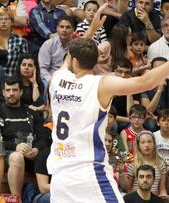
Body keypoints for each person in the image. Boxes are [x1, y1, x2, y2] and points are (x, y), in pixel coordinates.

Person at [47, 3, 169, 201]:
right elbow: (146, 81)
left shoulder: (58, 79)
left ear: (75, 61)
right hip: (88, 172)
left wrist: (91, 29)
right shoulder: (101, 84)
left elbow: (70, 56)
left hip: (60, 175)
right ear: (97, 61)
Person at [0, 77, 49, 195]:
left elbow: (44, 138)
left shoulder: (32, 113)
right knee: (17, 157)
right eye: (8, 90)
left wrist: (36, 149)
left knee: (49, 155)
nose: (11, 94)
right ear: (3, 93)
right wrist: (15, 146)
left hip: (31, 155)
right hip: (7, 154)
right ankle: (16, 199)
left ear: (21, 92)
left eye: (15, 90)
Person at [117, 131, 167, 195]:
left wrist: (164, 197)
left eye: (149, 142)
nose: (146, 145)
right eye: (143, 142)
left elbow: (162, 189)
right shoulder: (133, 163)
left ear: (154, 144)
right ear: (138, 146)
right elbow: (128, 189)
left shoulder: (161, 163)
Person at [0, 9, 28, 77]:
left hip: (13, 81)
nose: (3, 22)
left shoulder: (21, 41)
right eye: (0, 19)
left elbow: (25, 64)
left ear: (12, 22)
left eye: (7, 19)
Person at [38, 15, 74, 84]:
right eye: (61, 27)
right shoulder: (48, 44)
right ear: (57, 29)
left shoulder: (76, 46)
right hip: (51, 80)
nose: (64, 30)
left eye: (68, 27)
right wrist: (52, 81)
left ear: (73, 30)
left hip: (70, 81)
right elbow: (43, 69)